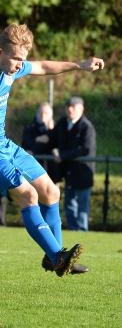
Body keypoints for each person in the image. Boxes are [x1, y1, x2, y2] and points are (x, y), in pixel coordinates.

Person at [0, 23, 103, 277]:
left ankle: (55, 257)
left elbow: (43, 67)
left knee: (51, 191)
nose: (20, 64)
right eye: (17, 58)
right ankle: (58, 257)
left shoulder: (10, 70)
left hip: (3, 144)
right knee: (28, 195)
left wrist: (79, 64)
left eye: (23, 59)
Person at [51, 96, 96, 232]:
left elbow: (85, 149)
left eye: (73, 107)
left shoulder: (86, 127)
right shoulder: (63, 123)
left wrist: (63, 156)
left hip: (82, 173)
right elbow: (52, 139)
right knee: (69, 204)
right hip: (68, 172)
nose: (70, 109)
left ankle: (82, 231)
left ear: (81, 109)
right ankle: (72, 230)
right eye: (68, 107)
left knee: (82, 206)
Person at [21, 102, 60, 183]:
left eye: (46, 113)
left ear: (51, 115)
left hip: (52, 170)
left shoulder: (56, 128)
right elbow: (25, 143)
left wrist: (51, 131)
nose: (43, 115)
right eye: (40, 112)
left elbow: (57, 144)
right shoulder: (30, 127)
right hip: (34, 170)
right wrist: (37, 139)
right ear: (37, 113)